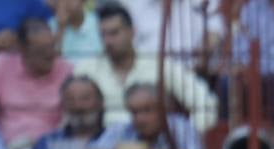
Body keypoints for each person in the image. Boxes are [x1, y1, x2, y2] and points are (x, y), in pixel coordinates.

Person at [77, 3, 218, 135]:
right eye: (103, 35)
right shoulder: (87, 68)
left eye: (114, 33)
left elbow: (205, 102)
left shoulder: (157, 64)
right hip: (102, 145)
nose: (108, 41)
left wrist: (185, 135)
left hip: (152, 145)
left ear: (132, 32)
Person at [0, 18, 72, 149]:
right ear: (22, 49)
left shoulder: (66, 69)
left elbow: (69, 119)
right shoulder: (3, 62)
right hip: (10, 147)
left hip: (51, 147)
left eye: (52, 46)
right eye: (42, 50)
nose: (50, 54)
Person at [87, 81, 203, 149]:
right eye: (134, 112)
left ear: (164, 109)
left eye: (147, 110)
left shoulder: (180, 126)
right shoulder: (124, 128)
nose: (140, 119)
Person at [30, 74, 108, 149]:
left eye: (85, 98)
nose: (78, 106)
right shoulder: (47, 142)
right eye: (70, 99)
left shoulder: (115, 140)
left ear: (101, 103)